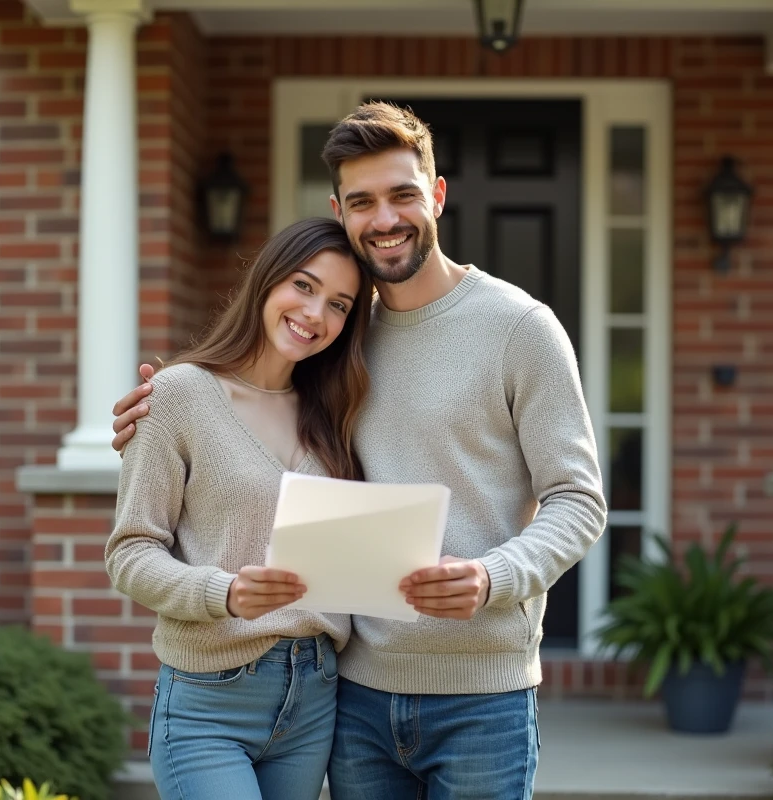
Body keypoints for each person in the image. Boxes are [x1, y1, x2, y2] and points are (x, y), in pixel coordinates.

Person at [112, 102, 607, 800]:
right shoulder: (336, 337)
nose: (385, 219)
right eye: (364, 201)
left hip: (480, 695)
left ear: (436, 195)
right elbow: (245, 417)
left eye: (403, 195)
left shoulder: (521, 328)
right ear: (339, 210)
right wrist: (157, 417)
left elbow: (579, 500)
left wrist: (494, 576)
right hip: (353, 693)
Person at [105, 216, 374, 800]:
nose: (314, 314)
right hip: (210, 699)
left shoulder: (333, 413)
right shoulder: (180, 394)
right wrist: (222, 592)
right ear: (267, 281)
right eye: (303, 286)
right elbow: (130, 553)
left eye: (339, 304)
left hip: (314, 695)